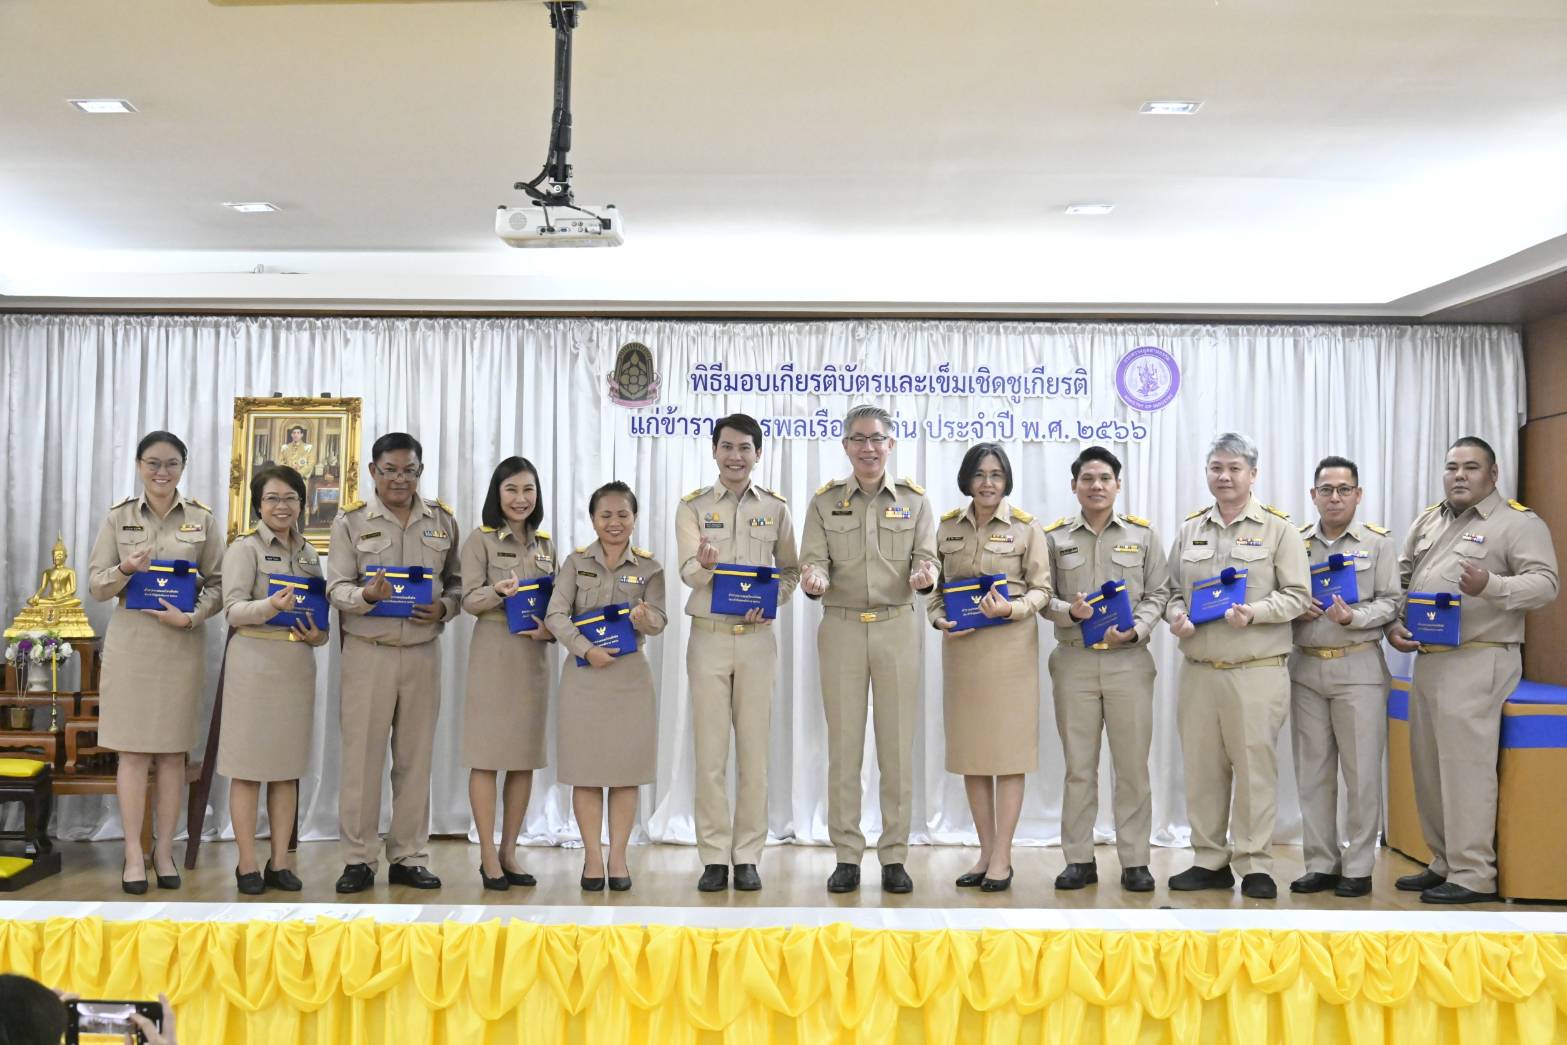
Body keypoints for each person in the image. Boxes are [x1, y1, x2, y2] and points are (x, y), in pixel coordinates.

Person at [1387, 436, 1559, 903]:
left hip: (1479, 658)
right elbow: (1402, 580)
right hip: (1428, 658)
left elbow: (1546, 584)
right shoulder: (1429, 520)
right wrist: (1394, 624)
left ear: (1493, 474)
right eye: (1452, 467)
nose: (1459, 475)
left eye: (1470, 467)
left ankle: (1473, 874)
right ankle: (1444, 861)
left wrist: (1492, 585)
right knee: (1429, 769)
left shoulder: (1516, 523)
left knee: (1465, 770)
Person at [1164, 432, 1311, 899]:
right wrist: (1176, 616)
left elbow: (1299, 596)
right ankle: (1209, 860)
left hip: (1256, 669)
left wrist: (1256, 613)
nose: (1224, 476)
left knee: (1254, 771)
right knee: (1202, 770)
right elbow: (1170, 592)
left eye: (1234, 468)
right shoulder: (1191, 529)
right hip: (1199, 670)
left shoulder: (1279, 530)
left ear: (1253, 474)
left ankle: (1255, 863)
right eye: (1216, 468)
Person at [799, 404, 937, 894]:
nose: (868, 447)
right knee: (844, 748)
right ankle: (847, 855)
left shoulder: (915, 501)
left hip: (896, 626)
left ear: (890, 444)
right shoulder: (824, 502)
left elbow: (927, 557)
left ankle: (894, 855)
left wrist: (925, 575)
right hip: (841, 627)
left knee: (896, 747)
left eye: (877, 438)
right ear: (845, 446)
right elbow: (812, 561)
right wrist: (814, 579)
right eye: (858, 439)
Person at [87, 430, 223, 894]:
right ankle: (133, 853)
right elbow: (97, 585)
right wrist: (126, 569)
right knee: (132, 752)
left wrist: (192, 616)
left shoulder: (202, 519)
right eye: (153, 463)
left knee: (171, 754)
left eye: (171, 464)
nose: (162, 472)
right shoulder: (119, 517)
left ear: (182, 467)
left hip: (180, 645)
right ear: (139, 466)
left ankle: (164, 852)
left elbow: (219, 584)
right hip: (132, 647)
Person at [326, 432, 461, 893]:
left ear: (420, 471)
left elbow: (458, 583)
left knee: (415, 759)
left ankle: (408, 855)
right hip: (370, 652)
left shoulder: (442, 521)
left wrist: (445, 608)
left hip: (422, 653)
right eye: (390, 471)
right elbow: (336, 587)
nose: (400, 479)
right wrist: (366, 595)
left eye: (409, 471)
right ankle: (358, 859)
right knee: (361, 759)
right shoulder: (350, 522)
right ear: (373, 471)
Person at [677, 414, 800, 893]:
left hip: (756, 641)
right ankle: (713, 856)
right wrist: (705, 565)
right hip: (709, 637)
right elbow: (688, 574)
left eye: (744, 448)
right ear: (714, 451)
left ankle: (747, 855)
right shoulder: (693, 507)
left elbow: (790, 570)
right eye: (727, 447)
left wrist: (772, 603)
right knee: (710, 755)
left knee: (754, 754)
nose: (735, 456)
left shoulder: (775, 508)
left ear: (758, 454)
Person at [1040, 445, 1170, 893]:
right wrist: (1069, 612)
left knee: (1132, 766)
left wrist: (1136, 630)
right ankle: (1079, 859)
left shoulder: (1143, 536)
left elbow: (1159, 593)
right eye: (1087, 479)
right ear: (1074, 485)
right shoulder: (1054, 538)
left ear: (1118, 484)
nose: (1096, 486)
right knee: (1079, 766)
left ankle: (1135, 860)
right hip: (1074, 661)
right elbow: (1042, 596)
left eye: (1104, 479)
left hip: (1128, 662)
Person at [929, 443, 1051, 893]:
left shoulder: (1026, 527)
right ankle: (984, 853)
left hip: (1010, 651)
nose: (987, 483)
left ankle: (1003, 856)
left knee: (1008, 755)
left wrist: (1012, 609)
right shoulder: (947, 527)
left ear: (1006, 480)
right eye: (980, 474)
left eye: (996, 475)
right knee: (974, 756)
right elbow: (935, 591)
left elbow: (1042, 590)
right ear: (967, 479)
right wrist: (938, 619)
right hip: (963, 651)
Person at [546, 481, 667, 892]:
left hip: (630, 679)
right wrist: (585, 649)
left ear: (635, 518)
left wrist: (645, 618)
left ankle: (618, 857)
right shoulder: (575, 562)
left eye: (623, 514)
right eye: (606, 515)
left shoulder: (650, 568)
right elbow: (555, 615)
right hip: (584, 676)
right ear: (593, 519)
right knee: (586, 771)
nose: (614, 522)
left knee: (624, 772)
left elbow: (660, 621)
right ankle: (592, 858)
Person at [1287, 456, 1398, 899]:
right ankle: (1320, 863)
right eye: (1326, 490)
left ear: (1358, 494)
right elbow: (1279, 596)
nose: (1335, 497)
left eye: (1344, 489)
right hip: (1306, 667)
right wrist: (1296, 608)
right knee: (1312, 772)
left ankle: (1358, 866)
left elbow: (1392, 601)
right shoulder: (1294, 541)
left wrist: (1355, 617)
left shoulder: (1377, 543)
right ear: (1313, 495)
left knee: (1361, 773)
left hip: (1359, 667)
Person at [219, 464, 328, 895]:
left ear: (302, 504)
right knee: (247, 769)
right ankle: (247, 863)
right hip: (253, 663)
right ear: (258, 505)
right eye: (272, 499)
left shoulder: (310, 553)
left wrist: (319, 636)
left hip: (296, 665)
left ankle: (279, 862)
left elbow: (320, 615)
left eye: (290, 499)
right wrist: (269, 606)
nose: (282, 507)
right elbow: (232, 610)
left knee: (286, 769)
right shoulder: (244, 549)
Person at [459, 456, 556, 891]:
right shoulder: (479, 540)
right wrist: (496, 592)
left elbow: (558, 603)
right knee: (487, 756)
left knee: (522, 757)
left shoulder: (545, 545)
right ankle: (486, 853)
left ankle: (509, 851)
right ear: (497, 494)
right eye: (512, 489)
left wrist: (550, 631)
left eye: (528, 489)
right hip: (494, 651)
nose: (521, 498)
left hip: (532, 655)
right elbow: (467, 599)